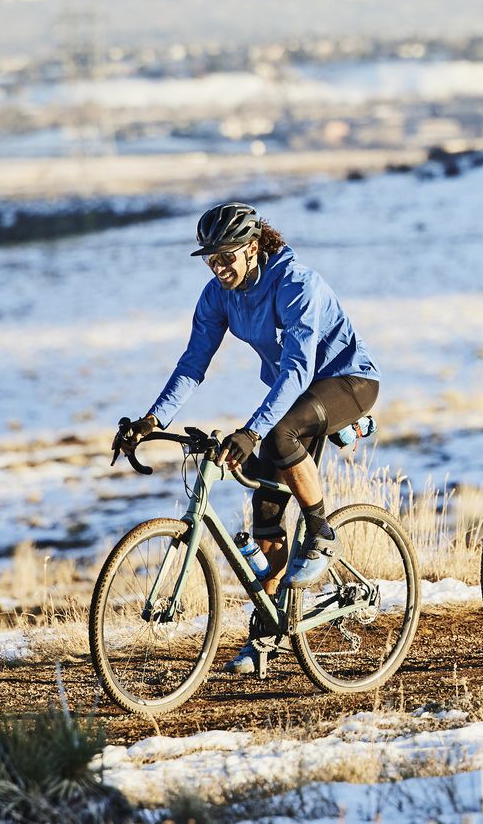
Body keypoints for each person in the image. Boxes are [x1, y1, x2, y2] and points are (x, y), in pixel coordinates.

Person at [113, 202, 380, 672]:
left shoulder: (295, 283)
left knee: (278, 437)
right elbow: (192, 364)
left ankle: (321, 533)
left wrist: (252, 431)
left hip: (346, 382)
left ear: (253, 248)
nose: (219, 268)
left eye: (227, 257)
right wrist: (152, 420)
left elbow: (299, 369)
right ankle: (272, 631)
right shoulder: (218, 296)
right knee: (265, 521)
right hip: (291, 397)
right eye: (211, 260)